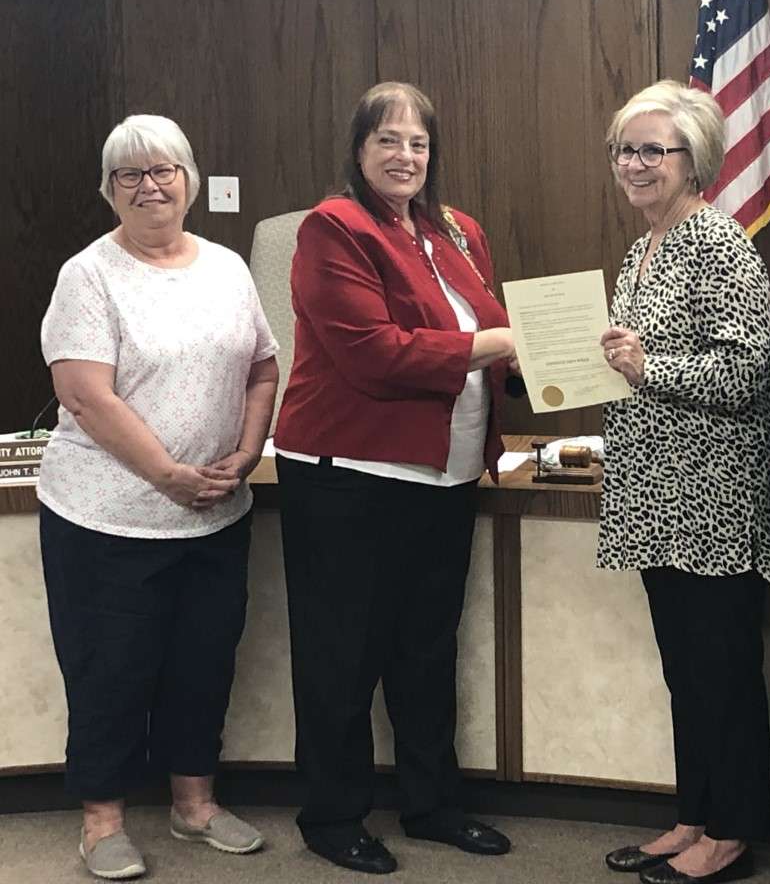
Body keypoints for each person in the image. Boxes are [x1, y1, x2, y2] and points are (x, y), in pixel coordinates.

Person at [273, 81, 517, 875]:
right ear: (358, 149)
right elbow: (374, 353)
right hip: (351, 478)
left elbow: (492, 340)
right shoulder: (332, 228)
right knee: (342, 654)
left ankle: (432, 804)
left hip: (446, 477)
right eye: (388, 141)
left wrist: (539, 358)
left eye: (417, 143)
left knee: (426, 650)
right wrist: (497, 344)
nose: (405, 156)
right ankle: (334, 816)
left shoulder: (460, 230)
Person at [38, 114, 277, 880]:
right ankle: (102, 821)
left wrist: (242, 455)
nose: (149, 186)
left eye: (163, 170)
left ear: (190, 181)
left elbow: (264, 367)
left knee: (203, 664)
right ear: (109, 191)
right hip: (106, 517)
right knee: (110, 670)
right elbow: (84, 395)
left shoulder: (227, 268)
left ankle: (194, 806)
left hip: (216, 514)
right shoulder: (89, 275)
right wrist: (170, 474)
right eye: (129, 175)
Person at [596, 80, 770, 884]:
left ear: (696, 160)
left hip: (714, 495)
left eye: (652, 150)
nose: (634, 165)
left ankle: (734, 830)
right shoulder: (645, 244)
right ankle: (695, 813)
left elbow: (749, 368)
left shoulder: (717, 240)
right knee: (687, 667)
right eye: (624, 150)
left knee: (722, 669)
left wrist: (649, 365)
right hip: (657, 494)